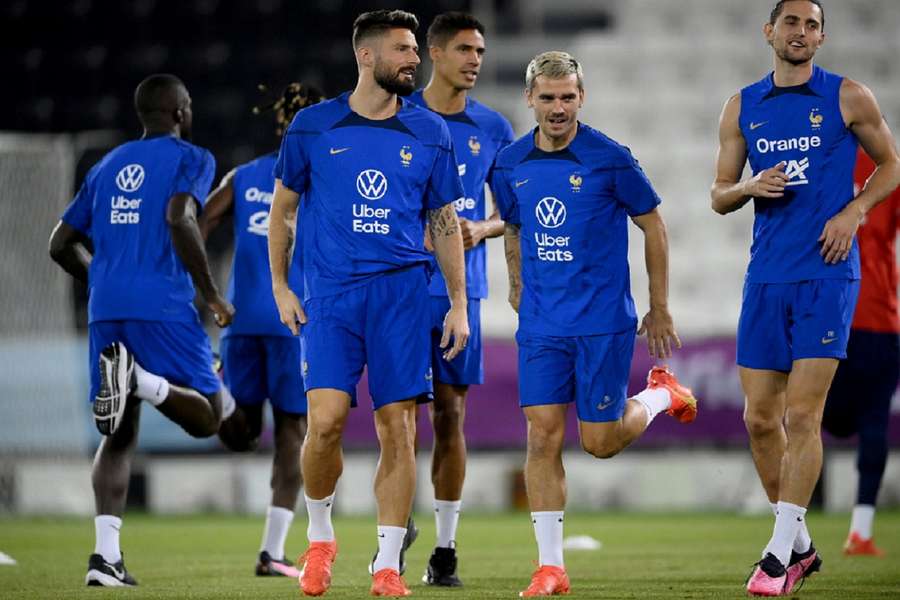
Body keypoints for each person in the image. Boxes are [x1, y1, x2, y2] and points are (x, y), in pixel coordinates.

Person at [267, 10, 468, 597]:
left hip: (403, 297)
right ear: (366, 56)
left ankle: (386, 565)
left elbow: (444, 219)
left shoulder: (431, 131)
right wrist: (281, 287)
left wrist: (457, 302)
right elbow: (282, 212)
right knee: (325, 422)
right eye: (404, 49)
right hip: (330, 297)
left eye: (415, 50)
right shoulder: (312, 126)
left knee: (399, 429)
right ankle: (322, 538)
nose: (415, 59)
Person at [709, 1, 900, 595]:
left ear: (822, 35)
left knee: (801, 415)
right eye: (790, 22)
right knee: (760, 419)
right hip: (765, 277)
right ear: (770, 32)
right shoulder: (742, 105)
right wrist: (748, 186)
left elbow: (892, 166)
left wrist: (854, 210)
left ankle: (775, 555)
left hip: (827, 276)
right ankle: (803, 547)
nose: (800, 32)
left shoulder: (849, 96)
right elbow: (718, 195)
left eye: (811, 24)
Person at [492, 51, 697, 598]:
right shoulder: (509, 162)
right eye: (547, 97)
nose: (557, 108)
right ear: (530, 99)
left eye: (567, 97)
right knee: (541, 435)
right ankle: (550, 567)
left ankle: (659, 396)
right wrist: (515, 283)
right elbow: (512, 226)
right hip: (541, 323)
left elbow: (653, 226)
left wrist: (659, 306)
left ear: (581, 97)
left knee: (600, 443)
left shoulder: (611, 159)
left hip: (602, 322)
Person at [48, 73, 234, 587]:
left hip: (106, 307)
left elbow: (59, 244)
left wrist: (105, 278)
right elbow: (180, 217)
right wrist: (212, 294)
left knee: (119, 432)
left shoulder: (106, 166)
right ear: (179, 110)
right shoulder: (191, 158)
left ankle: (105, 558)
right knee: (209, 417)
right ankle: (142, 381)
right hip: (163, 305)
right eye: (189, 104)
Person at [406, 11, 515, 587]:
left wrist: (481, 229)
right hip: (398, 292)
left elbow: (511, 211)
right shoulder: (399, 116)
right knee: (398, 418)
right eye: (466, 49)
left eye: (481, 50)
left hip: (458, 295)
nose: (476, 60)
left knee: (451, 415)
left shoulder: (493, 127)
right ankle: (393, 528)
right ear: (435, 53)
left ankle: (445, 548)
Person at [199, 82, 323, 577]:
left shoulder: (244, 175)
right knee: (293, 431)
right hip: (293, 319)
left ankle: (214, 392)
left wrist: (205, 291)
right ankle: (272, 551)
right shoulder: (323, 180)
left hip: (240, 321)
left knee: (242, 434)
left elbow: (196, 222)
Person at [822, 147, 900, 557]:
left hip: (831, 316)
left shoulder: (824, 159)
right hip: (877, 321)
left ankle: (786, 523)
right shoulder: (890, 171)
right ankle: (861, 530)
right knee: (872, 425)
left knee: (804, 415)